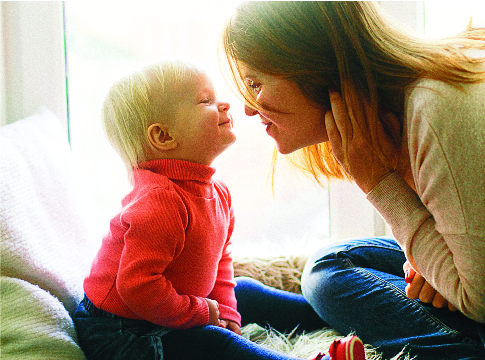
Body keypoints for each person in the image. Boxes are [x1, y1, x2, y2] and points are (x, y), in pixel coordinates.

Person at [221, 2, 485, 359]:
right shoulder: (401, 112)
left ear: (311, 66)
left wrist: (379, 183)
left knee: (328, 274)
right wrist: (424, 266)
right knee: (330, 263)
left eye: (255, 84)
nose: (249, 108)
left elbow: (479, 298)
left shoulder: (434, 109)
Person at [71, 58, 365, 360]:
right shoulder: (158, 201)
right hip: (121, 332)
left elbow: (220, 263)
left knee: (244, 290)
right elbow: (137, 288)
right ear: (163, 136)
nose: (224, 104)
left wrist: (227, 315)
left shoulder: (217, 193)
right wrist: (199, 314)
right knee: (211, 342)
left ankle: (350, 318)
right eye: (205, 100)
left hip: (166, 308)